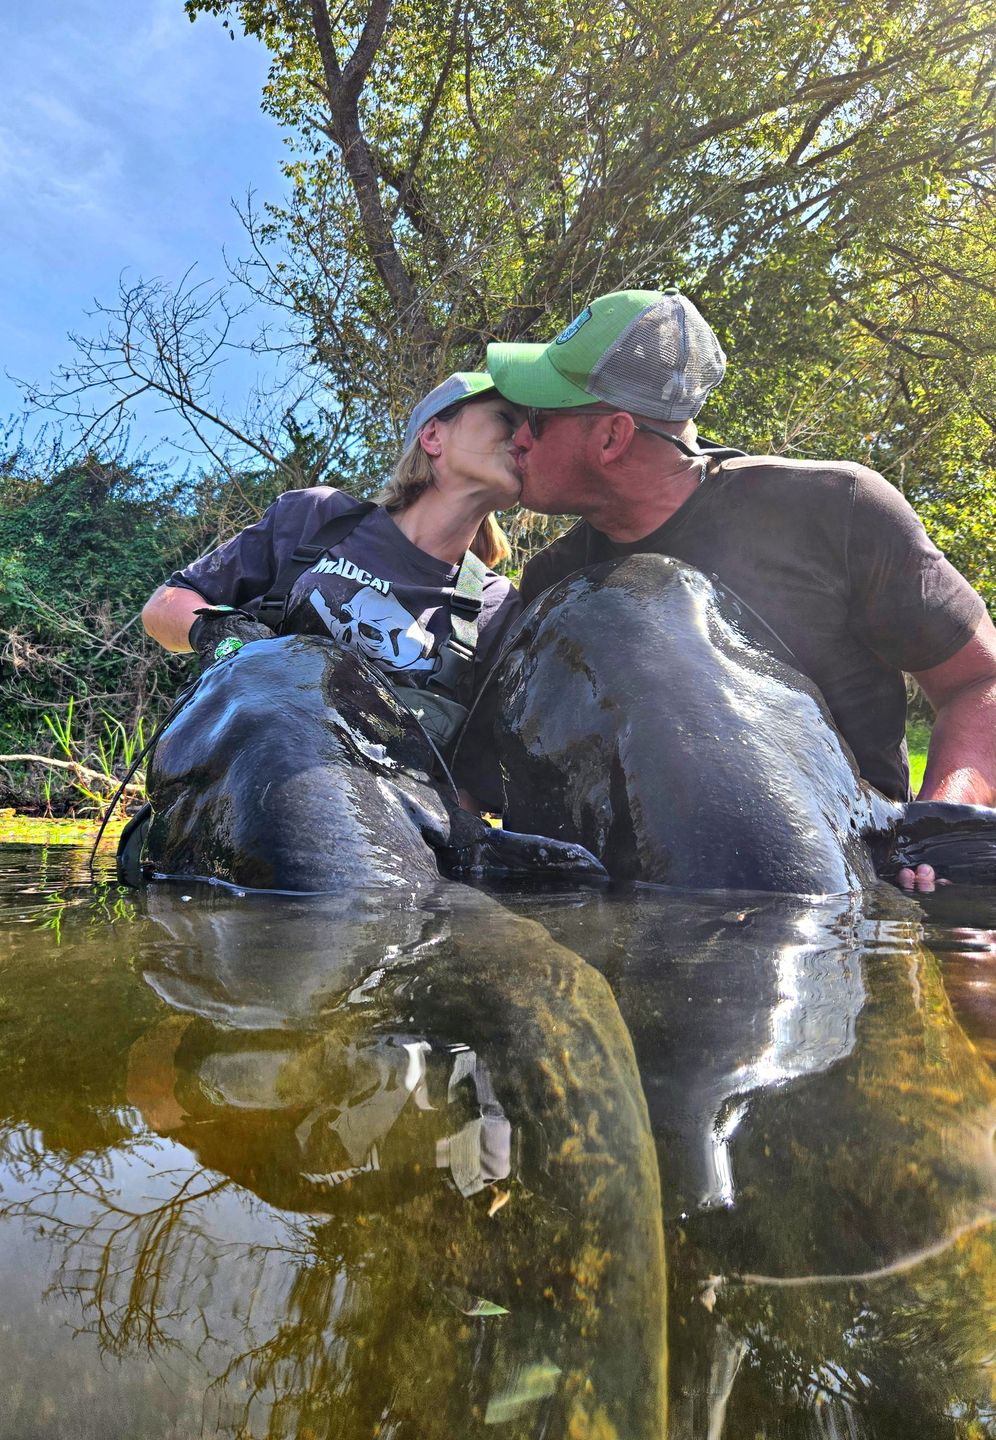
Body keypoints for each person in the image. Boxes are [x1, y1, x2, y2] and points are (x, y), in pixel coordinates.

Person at [486, 288, 996, 889]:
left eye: (537, 419)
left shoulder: (838, 508)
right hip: (636, 898)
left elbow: (978, 680)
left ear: (612, 438)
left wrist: (933, 832)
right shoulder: (553, 580)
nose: (517, 437)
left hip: (843, 894)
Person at [142, 373, 524, 811]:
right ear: (434, 435)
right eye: (505, 418)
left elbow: (471, 789)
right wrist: (222, 635)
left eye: (532, 428)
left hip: (362, 841)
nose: (524, 436)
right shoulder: (318, 518)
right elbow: (165, 605)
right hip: (229, 802)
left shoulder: (496, 607)